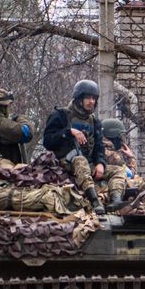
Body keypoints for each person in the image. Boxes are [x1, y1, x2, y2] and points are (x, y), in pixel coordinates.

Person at [42, 79, 106, 214]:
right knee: (79, 160)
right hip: (64, 163)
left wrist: (100, 163)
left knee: (117, 170)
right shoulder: (60, 115)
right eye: (88, 97)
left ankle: (117, 200)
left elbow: (99, 147)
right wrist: (68, 132)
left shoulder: (94, 121)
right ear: (78, 99)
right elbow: (48, 141)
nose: (92, 101)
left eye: (94, 98)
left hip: (88, 164)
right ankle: (94, 200)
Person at [100, 118, 133, 209]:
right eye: (120, 137)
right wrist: (131, 157)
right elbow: (130, 174)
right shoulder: (110, 153)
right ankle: (116, 200)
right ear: (114, 135)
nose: (122, 141)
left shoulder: (103, 147)